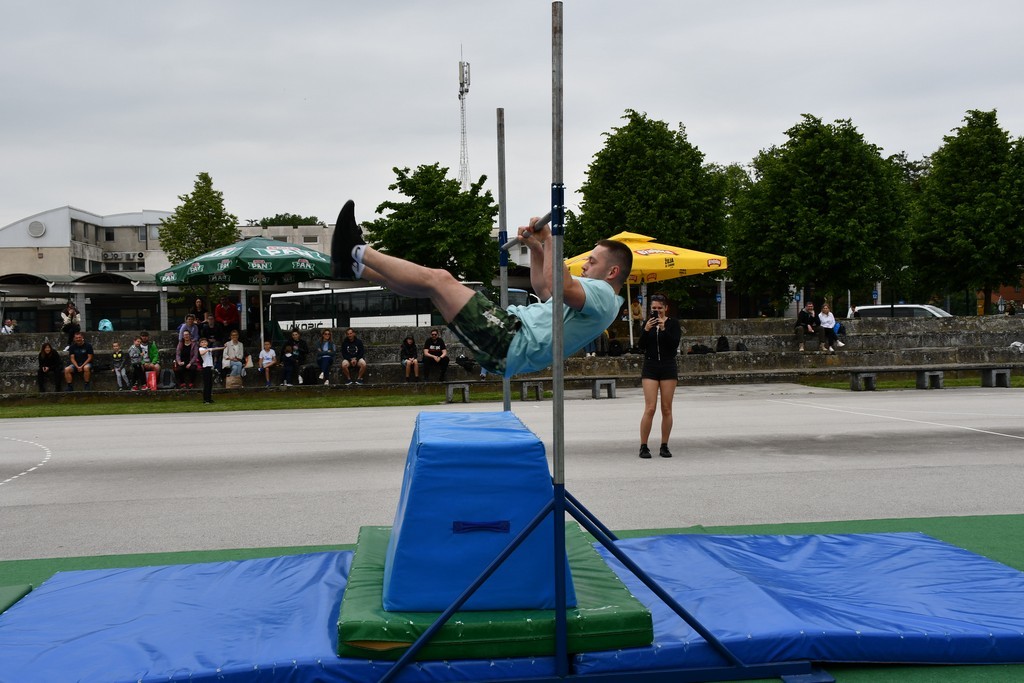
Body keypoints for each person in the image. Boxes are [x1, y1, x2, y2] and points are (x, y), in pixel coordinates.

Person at [330, 200, 632, 377]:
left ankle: (357, 251)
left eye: (591, 262)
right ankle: (357, 268)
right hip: (509, 344)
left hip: (512, 339)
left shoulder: (603, 294)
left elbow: (558, 283)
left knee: (440, 279)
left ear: (612, 272)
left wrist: (550, 239)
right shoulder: (592, 300)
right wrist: (536, 246)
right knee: (433, 288)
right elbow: (544, 288)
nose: (585, 266)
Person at [637, 293, 681, 459]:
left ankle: (664, 444)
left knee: (667, 408)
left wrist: (663, 328)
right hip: (651, 366)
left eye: (659, 308)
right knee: (650, 407)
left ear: (665, 308)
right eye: (654, 309)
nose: (657, 312)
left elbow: (673, 344)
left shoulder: (673, 324)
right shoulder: (647, 324)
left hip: (668, 365)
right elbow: (641, 346)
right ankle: (643, 445)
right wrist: (647, 330)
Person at [198, 337, 225, 405]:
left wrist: (223, 347)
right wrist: (208, 350)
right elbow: (201, 353)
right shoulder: (201, 349)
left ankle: (209, 398)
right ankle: (205, 399)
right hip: (205, 368)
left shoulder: (208, 349)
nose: (204, 343)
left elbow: (215, 348)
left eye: (205, 342)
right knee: (206, 384)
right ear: (200, 344)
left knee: (210, 384)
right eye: (202, 342)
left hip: (210, 367)